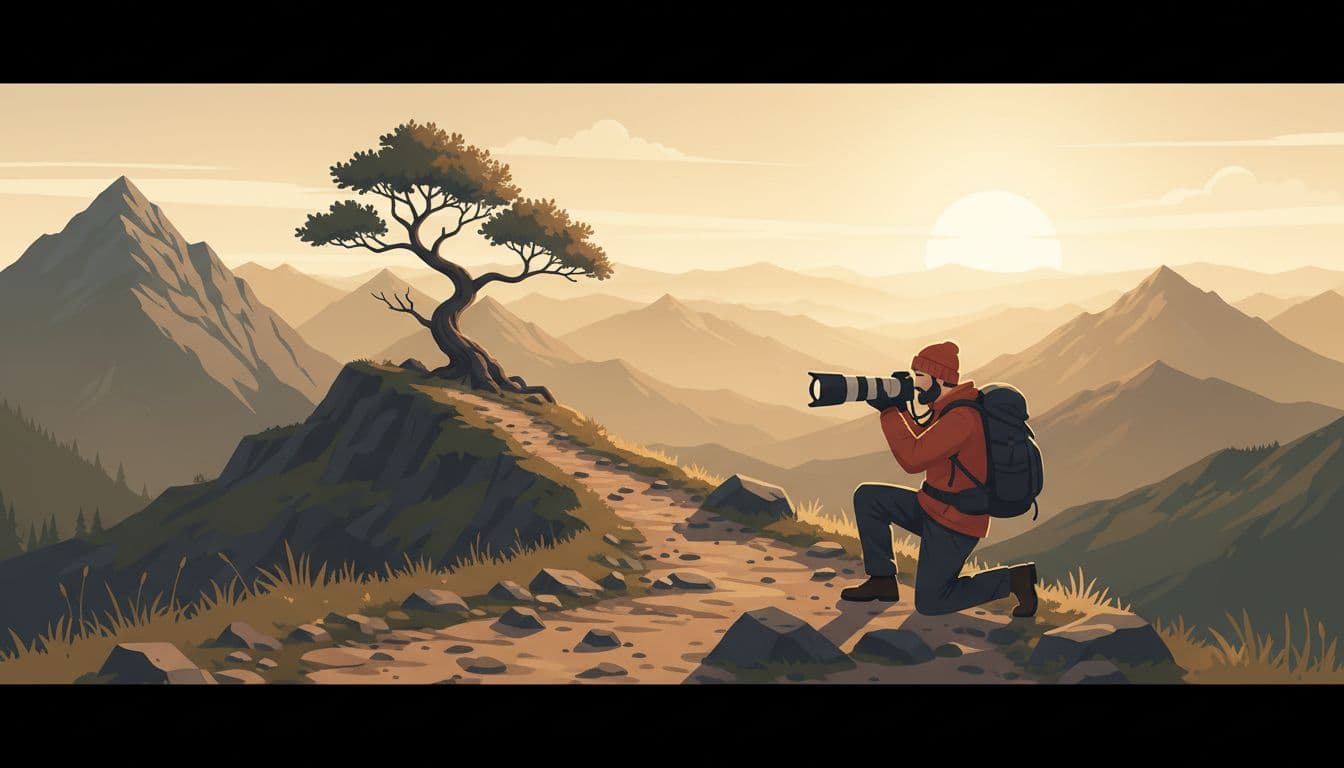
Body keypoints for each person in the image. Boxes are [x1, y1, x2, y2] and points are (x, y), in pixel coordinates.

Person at [839, 340, 1038, 617]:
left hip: (956, 522)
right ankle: (883, 581)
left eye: (920, 377)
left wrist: (889, 412)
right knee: (869, 497)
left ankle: (1014, 580)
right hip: (931, 506)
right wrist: (900, 409)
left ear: (940, 378)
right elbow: (926, 439)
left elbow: (913, 458)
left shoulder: (962, 418)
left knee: (931, 603)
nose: (915, 383)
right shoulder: (949, 407)